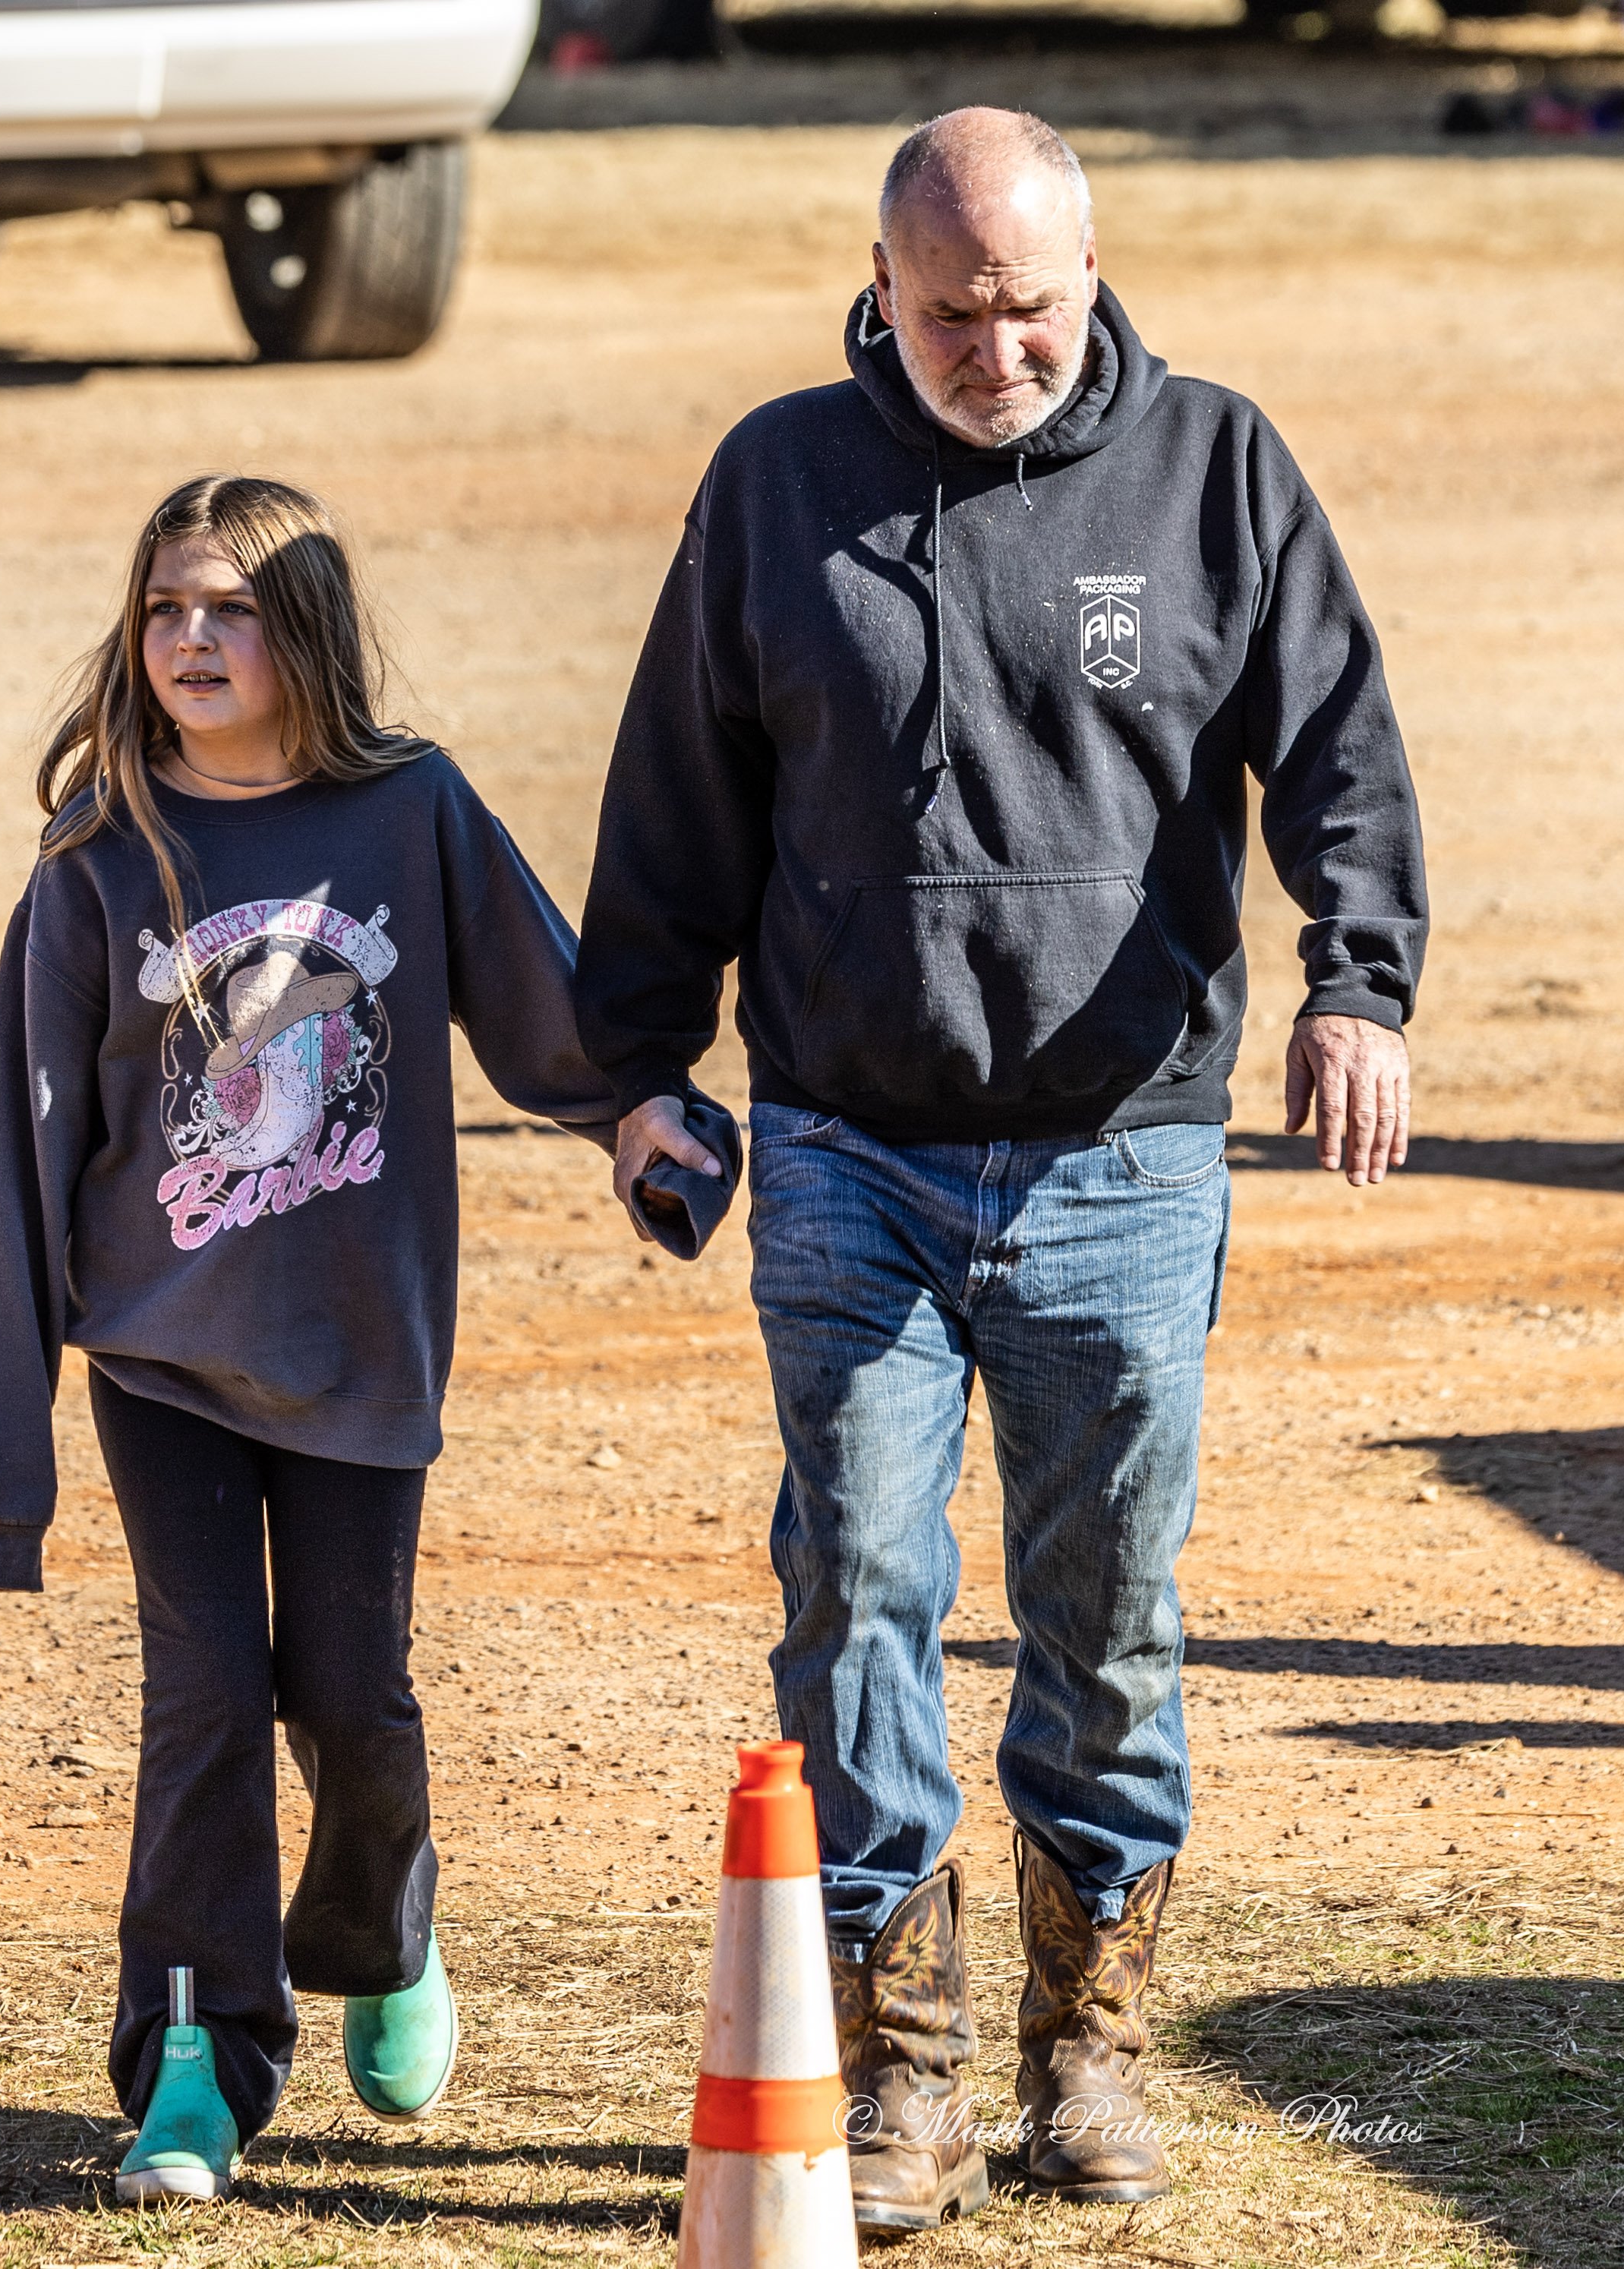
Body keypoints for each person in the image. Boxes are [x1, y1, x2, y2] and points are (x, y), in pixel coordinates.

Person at [574, 108, 1427, 2229]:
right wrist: (637, 1069)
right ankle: (907, 2074)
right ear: (878, 281)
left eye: (1027, 304)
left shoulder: (1213, 468)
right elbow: (680, 784)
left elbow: (1333, 740)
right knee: (854, 1587)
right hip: (852, 1141)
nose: (991, 346)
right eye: (946, 309)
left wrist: (1361, 981)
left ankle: (1093, 2048)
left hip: (1121, 1156)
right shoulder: (778, 479)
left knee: (1102, 1617)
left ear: (1090, 269)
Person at [0, 475, 626, 2201]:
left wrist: (647, 1125)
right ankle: (193, 2061)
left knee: (351, 1694)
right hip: (162, 1356)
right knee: (204, 1698)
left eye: (232, 608)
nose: (192, 636)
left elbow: (550, 1013)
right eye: (168, 606)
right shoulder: (101, 861)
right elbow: (24, 1171)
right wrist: (5, 1482)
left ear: (301, 630)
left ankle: (386, 1934)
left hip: (357, 1353)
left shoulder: (409, 812)